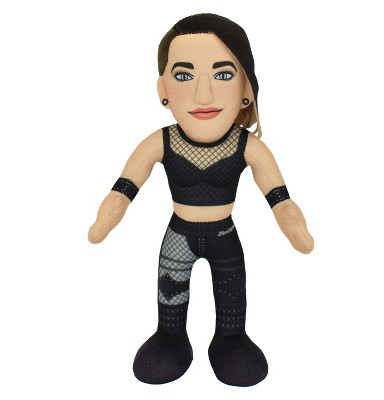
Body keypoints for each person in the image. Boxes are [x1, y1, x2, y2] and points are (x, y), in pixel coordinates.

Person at [88, 13, 314, 387]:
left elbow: (280, 199)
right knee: (170, 301)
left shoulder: (247, 146)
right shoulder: (161, 142)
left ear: (246, 88)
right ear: (162, 89)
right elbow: (123, 189)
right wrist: (104, 221)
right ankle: (170, 338)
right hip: (180, 236)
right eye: (183, 76)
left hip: (223, 236)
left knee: (232, 302)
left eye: (223, 75)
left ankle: (231, 340)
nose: (204, 95)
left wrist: (296, 228)